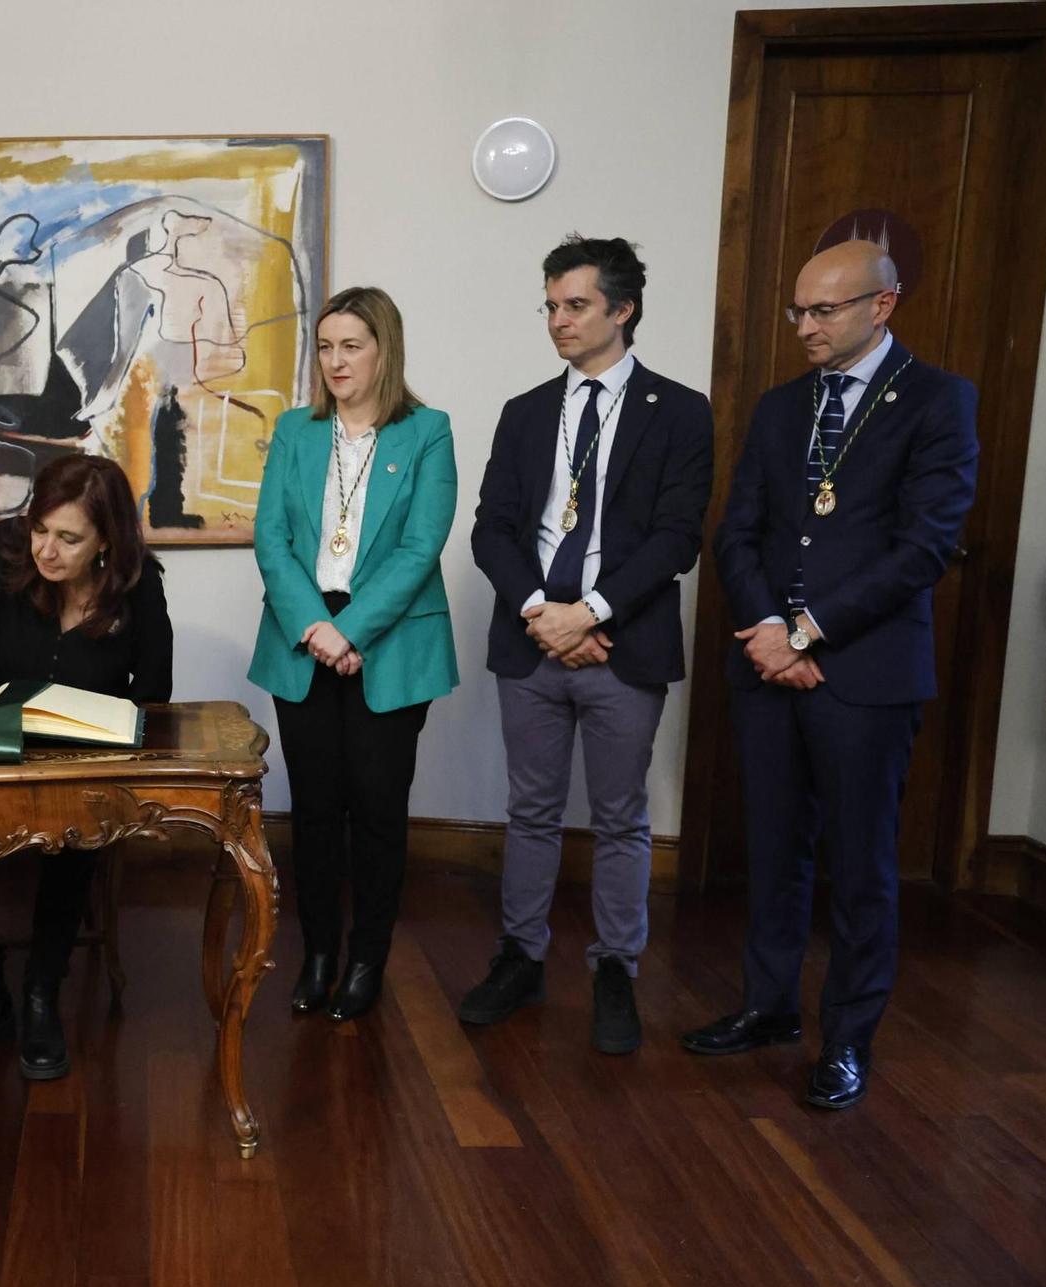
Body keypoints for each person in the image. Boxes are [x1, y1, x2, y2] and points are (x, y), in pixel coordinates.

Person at [683, 239, 977, 1110]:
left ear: (880, 307)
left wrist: (808, 632)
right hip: (769, 665)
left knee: (860, 866)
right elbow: (737, 531)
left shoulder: (938, 400)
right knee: (773, 849)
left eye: (824, 311)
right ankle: (770, 1005)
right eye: (797, 311)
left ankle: (848, 1037)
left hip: (864, 673)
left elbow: (924, 545)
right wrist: (770, 629)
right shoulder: (781, 407)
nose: (805, 327)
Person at [461, 235, 714, 1054]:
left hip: (623, 645)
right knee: (530, 810)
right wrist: (544, 610)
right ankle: (521, 957)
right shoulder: (526, 411)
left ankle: (614, 970)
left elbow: (679, 535)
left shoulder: (679, 411)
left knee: (621, 817)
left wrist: (593, 612)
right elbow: (492, 528)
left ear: (622, 308)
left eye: (575, 305)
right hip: (532, 640)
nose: (558, 321)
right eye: (551, 305)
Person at [0, 454, 171, 1079]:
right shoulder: (8, 553)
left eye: (69, 538)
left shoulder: (138, 582)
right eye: (40, 530)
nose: (46, 552)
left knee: (74, 832)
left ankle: (40, 991)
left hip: (78, 765)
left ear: (106, 542)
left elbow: (157, 694)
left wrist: (108, 733)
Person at [248, 286, 459, 1023]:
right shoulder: (295, 430)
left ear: (384, 350)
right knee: (311, 811)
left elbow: (420, 545)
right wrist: (315, 625)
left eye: (352, 346)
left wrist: (352, 630)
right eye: (326, 346)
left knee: (376, 809)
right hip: (304, 638)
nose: (335, 361)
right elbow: (270, 539)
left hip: (389, 643)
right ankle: (317, 955)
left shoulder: (427, 431)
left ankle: (368, 958)